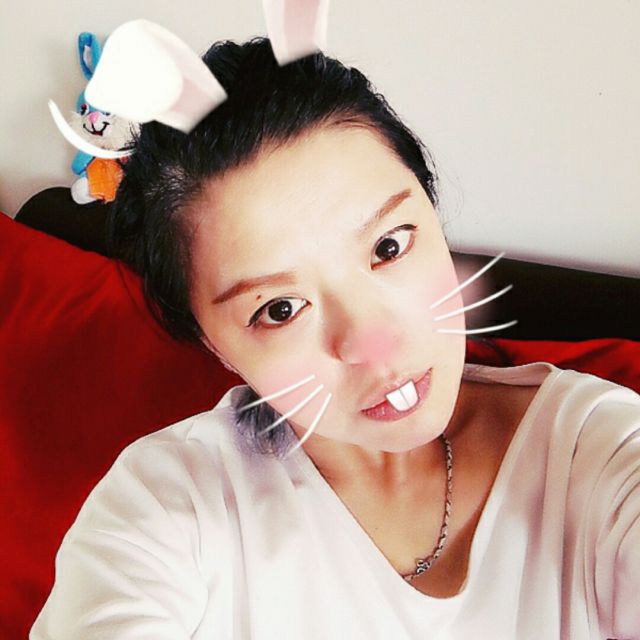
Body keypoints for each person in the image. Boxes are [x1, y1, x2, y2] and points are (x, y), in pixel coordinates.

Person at [30, 36, 640, 640]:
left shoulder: (598, 448)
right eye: (280, 309)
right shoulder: (165, 506)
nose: (372, 339)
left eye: (389, 247)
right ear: (214, 344)